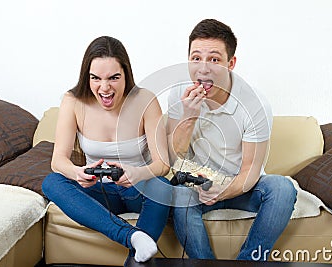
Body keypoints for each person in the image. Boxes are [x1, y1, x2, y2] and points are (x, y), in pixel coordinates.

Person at [167, 19, 297, 261]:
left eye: (214, 60)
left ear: (231, 63)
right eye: (196, 58)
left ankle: (247, 263)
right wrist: (189, 116)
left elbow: (250, 170)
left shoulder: (254, 104)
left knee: (282, 188)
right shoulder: (179, 93)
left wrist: (223, 191)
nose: (203, 69)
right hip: (198, 184)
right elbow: (172, 157)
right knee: (179, 194)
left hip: (242, 186)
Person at [42, 36, 171, 264]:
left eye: (114, 78)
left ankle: (135, 258)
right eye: (96, 78)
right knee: (51, 182)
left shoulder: (145, 100)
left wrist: (137, 173)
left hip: (135, 191)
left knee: (163, 186)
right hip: (99, 191)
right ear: (87, 77)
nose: (104, 87)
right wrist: (77, 173)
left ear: (126, 75)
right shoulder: (73, 101)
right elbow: (58, 161)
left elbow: (162, 164)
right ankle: (133, 237)